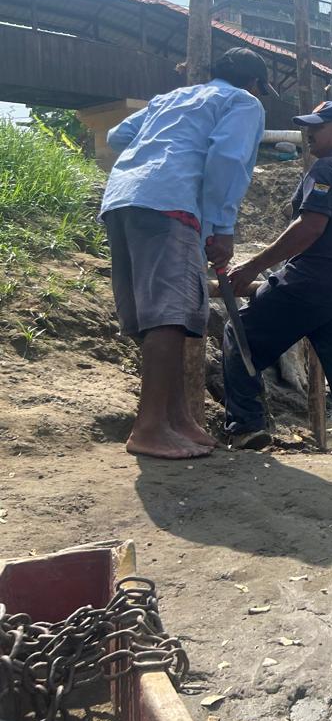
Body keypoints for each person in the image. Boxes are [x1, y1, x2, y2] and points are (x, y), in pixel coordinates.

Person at [99, 47, 272, 459]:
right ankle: (150, 427)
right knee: (170, 314)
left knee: (162, 314)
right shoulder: (243, 102)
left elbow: (117, 136)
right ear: (253, 83)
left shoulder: (171, 99)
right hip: (170, 201)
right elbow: (228, 158)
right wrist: (221, 227)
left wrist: (164, 146)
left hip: (124, 198)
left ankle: (177, 419)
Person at [221, 101, 332, 458]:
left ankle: (247, 426)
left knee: (240, 333)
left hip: (312, 282)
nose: (309, 133)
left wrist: (252, 267)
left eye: (318, 127)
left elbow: (310, 226)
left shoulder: (327, 168)